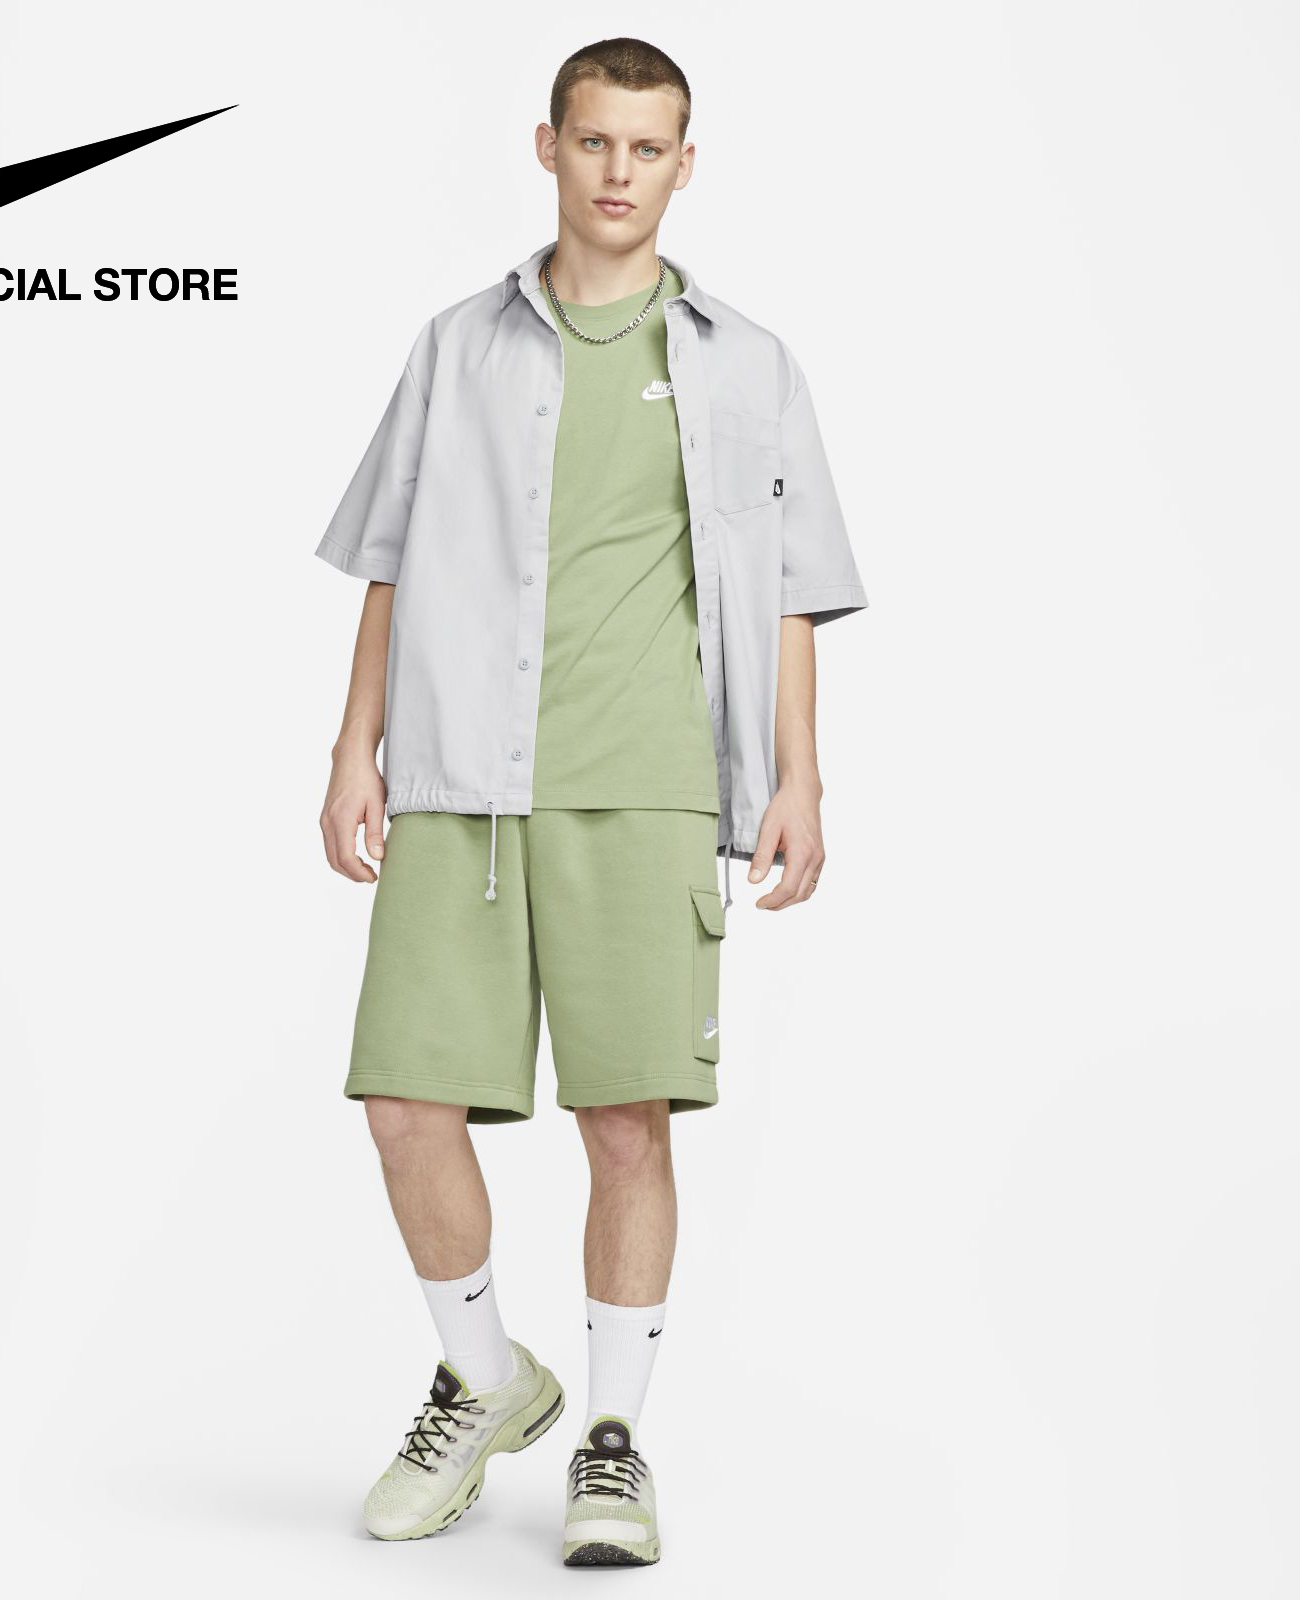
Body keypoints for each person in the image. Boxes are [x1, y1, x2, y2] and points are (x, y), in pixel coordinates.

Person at [316, 36, 866, 1568]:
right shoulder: (458, 346)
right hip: (459, 782)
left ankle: (611, 1441)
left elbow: (791, 592)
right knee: (406, 1105)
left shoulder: (749, 364)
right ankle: (486, 1379)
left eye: (648, 146)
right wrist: (354, 746)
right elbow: (390, 558)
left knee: (627, 1123)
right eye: (595, 140)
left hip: (648, 786)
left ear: (685, 164)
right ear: (548, 146)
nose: (619, 170)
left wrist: (801, 776)